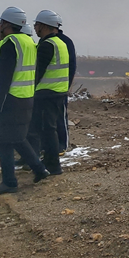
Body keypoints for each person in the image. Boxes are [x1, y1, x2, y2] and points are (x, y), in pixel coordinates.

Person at [0, 7, 49, 195]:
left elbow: (3, 77)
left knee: (1, 141)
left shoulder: (9, 44)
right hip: (26, 98)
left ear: (7, 24)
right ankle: (40, 170)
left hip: (10, 100)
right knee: (18, 138)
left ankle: (9, 182)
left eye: (1, 23)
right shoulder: (29, 42)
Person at [27, 9, 71, 175]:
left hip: (46, 93)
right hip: (58, 92)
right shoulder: (61, 43)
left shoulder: (47, 45)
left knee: (47, 130)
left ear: (44, 26)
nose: (35, 28)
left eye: (37, 24)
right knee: (50, 128)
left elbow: (37, 72)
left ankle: (52, 165)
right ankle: (50, 162)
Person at [55, 15, 77, 155]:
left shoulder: (65, 42)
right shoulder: (46, 41)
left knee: (60, 117)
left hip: (60, 88)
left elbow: (71, 65)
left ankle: (62, 145)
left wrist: (66, 85)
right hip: (47, 88)